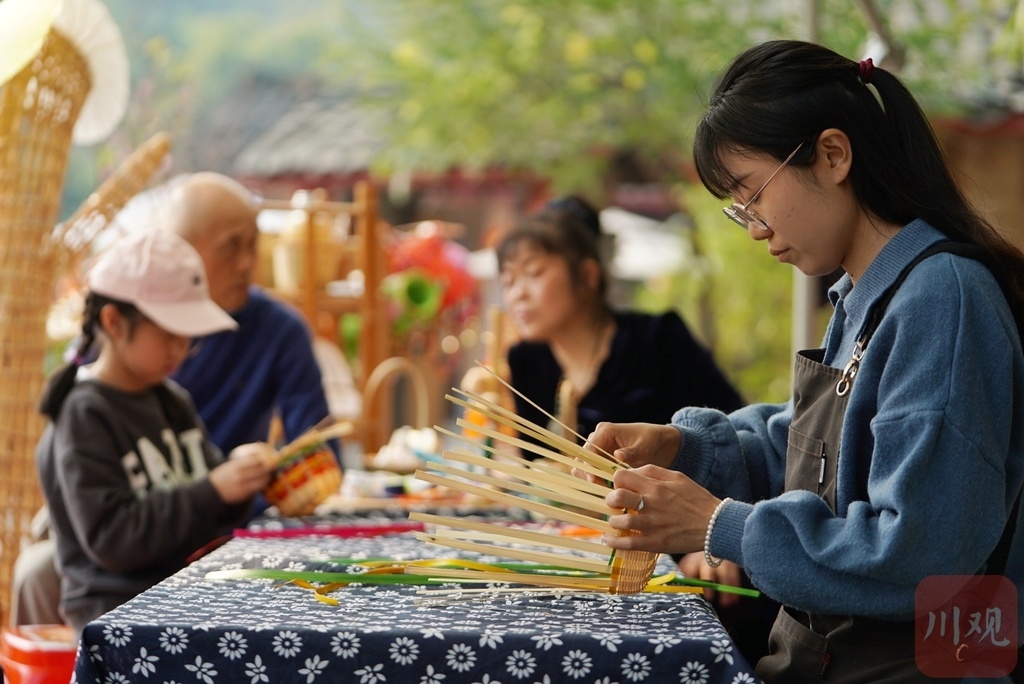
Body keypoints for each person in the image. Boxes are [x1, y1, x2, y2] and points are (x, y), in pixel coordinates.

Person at [587, 40, 1024, 682]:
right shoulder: (862, 297)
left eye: (753, 195)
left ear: (833, 154)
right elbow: (813, 457)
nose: (755, 228)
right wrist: (687, 449)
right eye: (740, 211)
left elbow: (919, 552)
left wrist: (719, 525)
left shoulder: (942, 299)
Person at [496, 196, 777, 662]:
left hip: (671, 554)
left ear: (587, 276)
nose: (516, 294)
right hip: (578, 558)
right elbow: (535, 469)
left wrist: (715, 543)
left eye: (532, 273)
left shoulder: (657, 339)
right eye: (508, 280)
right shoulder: (527, 362)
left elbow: (736, 435)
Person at [35, 230, 273, 635]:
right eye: (169, 334)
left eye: (187, 338)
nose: (180, 349)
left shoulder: (171, 400)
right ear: (114, 322)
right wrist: (214, 489)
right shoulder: (85, 413)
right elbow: (113, 539)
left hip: (185, 593)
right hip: (120, 618)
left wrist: (240, 478)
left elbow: (208, 500)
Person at [165, 172, 337, 453]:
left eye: (252, 245)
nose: (247, 264)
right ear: (181, 249)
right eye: (230, 247)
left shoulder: (280, 330)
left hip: (247, 492)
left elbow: (317, 447)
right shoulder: (138, 324)